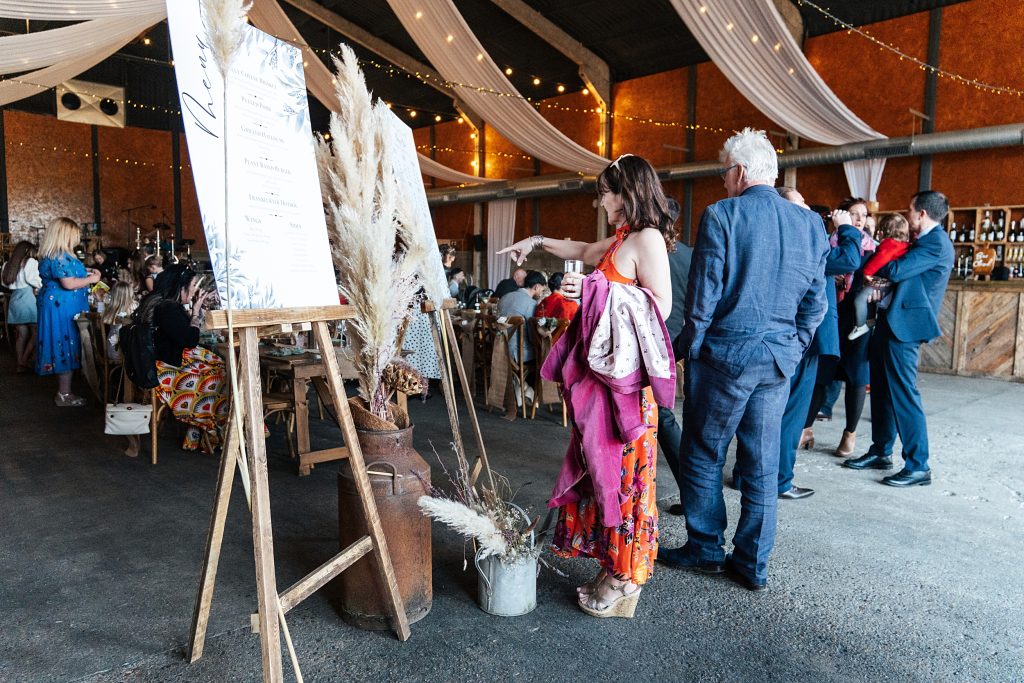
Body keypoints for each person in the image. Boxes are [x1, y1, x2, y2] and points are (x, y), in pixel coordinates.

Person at [498, 153, 674, 618]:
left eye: (605, 194)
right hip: (605, 382)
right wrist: (535, 241)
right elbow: (579, 249)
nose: (601, 203)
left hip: (628, 390)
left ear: (628, 192)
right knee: (603, 471)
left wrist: (598, 291)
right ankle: (613, 565)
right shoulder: (622, 239)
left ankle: (626, 576)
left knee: (627, 476)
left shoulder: (647, 239)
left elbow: (663, 305)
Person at [658, 129, 828, 592]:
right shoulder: (810, 224)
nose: (723, 181)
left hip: (724, 357)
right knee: (762, 462)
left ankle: (706, 548)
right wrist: (792, 348)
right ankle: (753, 562)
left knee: (703, 453)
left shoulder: (723, 214)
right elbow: (817, 303)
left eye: (724, 173)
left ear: (739, 172)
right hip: (776, 361)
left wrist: (688, 349)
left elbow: (703, 299)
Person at [732, 188, 862, 501]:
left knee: (762, 413)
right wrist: (847, 229)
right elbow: (850, 259)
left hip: (775, 336)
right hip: (802, 339)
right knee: (789, 415)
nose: (807, 208)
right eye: (801, 202)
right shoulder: (804, 239)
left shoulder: (770, 238)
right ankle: (779, 481)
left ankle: (745, 475)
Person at [843, 190, 955, 486]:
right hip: (890, 321)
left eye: (909, 209)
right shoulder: (921, 242)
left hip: (906, 328)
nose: (907, 214)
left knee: (904, 394)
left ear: (921, 214)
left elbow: (895, 269)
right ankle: (881, 451)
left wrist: (881, 262)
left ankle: (918, 465)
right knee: (881, 389)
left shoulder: (936, 243)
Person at [800, 197, 877, 457]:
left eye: (863, 214)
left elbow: (884, 279)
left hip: (859, 321)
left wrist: (878, 287)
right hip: (832, 316)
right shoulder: (829, 244)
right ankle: (806, 429)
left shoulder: (874, 249)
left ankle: (850, 434)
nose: (859, 219)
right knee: (823, 374)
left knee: (857, 375)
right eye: (853, 213)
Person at [135, 264, 227, 452]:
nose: (194, 290)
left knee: (217, 367)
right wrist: (195, 313)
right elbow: (190, 340)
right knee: (221, 376)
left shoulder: (163, 304)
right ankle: (214, 432)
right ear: (180, 286)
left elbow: (184, 334)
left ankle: (199, 432)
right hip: (166, 370)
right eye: (192, 285)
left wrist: (198, 308)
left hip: (163, 362)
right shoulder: (167, 309)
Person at [34, 217, 101, 406]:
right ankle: (64, 394)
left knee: (63, 342)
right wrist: (92, 280)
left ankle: (65, 391)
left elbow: (67, 274)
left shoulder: (53, 254)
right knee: (65, 343)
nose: (77, 239)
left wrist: (85, 271)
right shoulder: (60, 255)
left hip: (57, 304)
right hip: (62, 307)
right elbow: (68, 283)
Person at [654, 197, 690, 517]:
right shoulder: (689, 255)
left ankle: (691, 493)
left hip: (649, 342)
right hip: (676, 341)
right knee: (662, 416)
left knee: (661, 417)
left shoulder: (645, 249)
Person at [848, 214, 911, 340]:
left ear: (883, 232)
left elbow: (880, 259)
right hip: (891, 283)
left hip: (884, 281)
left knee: (860, 299)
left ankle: (860, 325)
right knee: (870, 300)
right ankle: (870, 321)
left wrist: (867, 273)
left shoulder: (889, 244)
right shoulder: (904, 245)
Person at [2, 241, 43, 372]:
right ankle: (25, 359)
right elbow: (33, 280)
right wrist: (43, 284)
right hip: (27, 299)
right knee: (36, 332)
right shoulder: (30, 262)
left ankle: (20, 363)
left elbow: (5, 283)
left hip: (15, 299)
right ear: (28, 251)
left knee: (21, 334)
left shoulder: (8, 264)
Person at [497, 270, 546, 363]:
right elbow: (532, 337)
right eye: (542, 290)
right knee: (544, 350)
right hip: (517, 354)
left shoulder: (504, 297)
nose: (541, 293)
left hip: (498, 349)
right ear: (536, 287)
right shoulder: (531, 304)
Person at [101, 281, 138, 362]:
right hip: (125, 352)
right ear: (130, 294)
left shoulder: (110, 309)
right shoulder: (134, 307)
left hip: (112, 350)